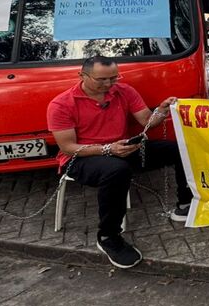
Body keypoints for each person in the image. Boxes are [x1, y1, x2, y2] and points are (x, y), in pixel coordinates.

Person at [47, 55, 193, 269]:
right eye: (101, 80)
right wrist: (108, 149)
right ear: (82, 76)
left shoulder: (124, 91)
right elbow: (67, 147)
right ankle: (108, 237)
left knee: (180, 149)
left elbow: (146, 121)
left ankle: (185, 204)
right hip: (81, 157)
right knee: (117, 170)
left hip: (122, 148)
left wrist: (161, 110)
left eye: (113, 78)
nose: (108, 84)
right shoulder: (61, 104)